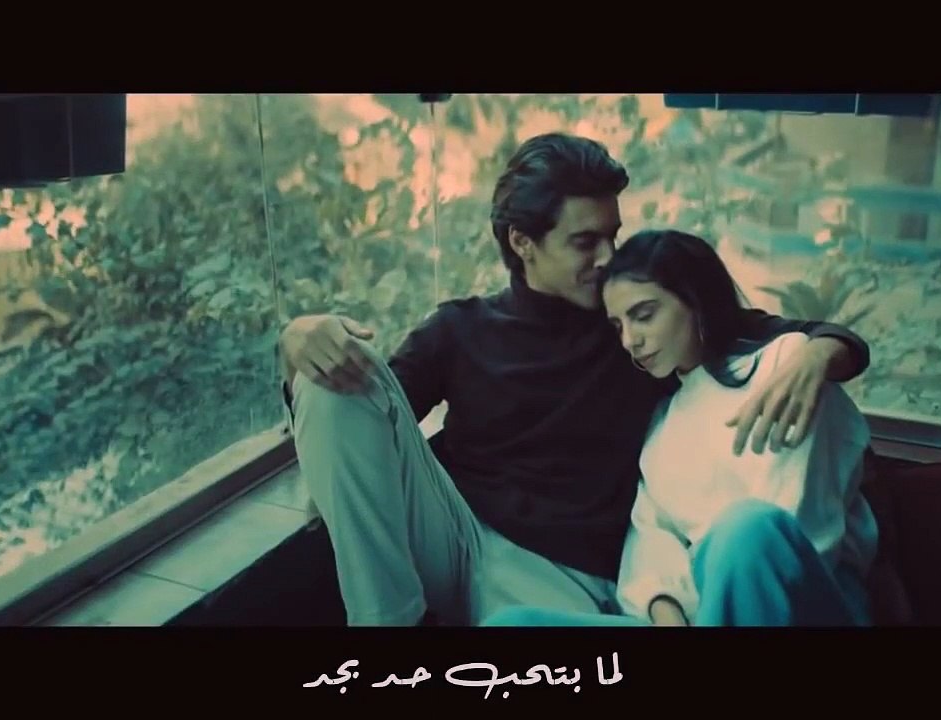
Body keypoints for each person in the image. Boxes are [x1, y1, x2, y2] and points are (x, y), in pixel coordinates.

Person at [277, 132, 872, 626]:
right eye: (586, 242)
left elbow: (808, 335)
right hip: (456, 538)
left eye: (613, 235)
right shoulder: (459, 328)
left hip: (567, 576)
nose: (609, 257)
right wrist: (296, 342)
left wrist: (817, 354)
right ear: (523, 243)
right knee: (333, 384)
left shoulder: (643, 324)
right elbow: (363, 420)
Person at [481, 229, 879, 628]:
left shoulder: (785, 369)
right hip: (697, 615)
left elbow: (797, 535)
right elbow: (649, 546)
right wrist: (666, 609)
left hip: (800, 607)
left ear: (695, 300)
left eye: (644, 315)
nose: (630, 340)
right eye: (618, 325)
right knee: (512, 625)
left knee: (747, 529)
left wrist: (820, 352)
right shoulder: (662, 424)